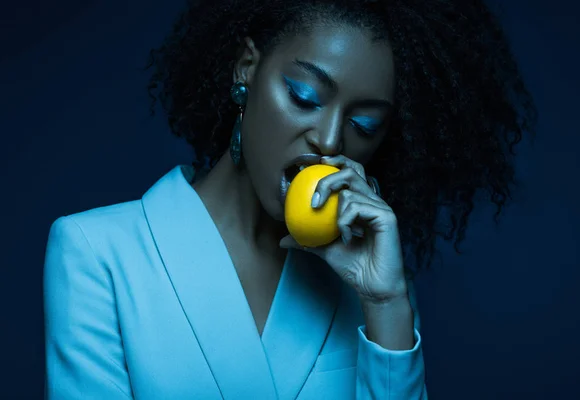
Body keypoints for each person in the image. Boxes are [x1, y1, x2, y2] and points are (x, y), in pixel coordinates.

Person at [43, 0, 536, 398]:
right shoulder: (97, 253)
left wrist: (385, 303)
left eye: (363, 125)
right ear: (246, 68)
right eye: (304, 96)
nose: (328, 139)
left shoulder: (371, 287)